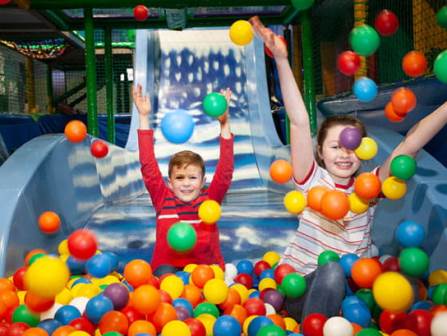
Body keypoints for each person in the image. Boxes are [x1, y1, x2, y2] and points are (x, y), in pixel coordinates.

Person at [250, 16, 447, 320]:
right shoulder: (310, 179)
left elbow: (409, 145)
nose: (345, 154)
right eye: (335, 146)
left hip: (353, 291)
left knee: (401, 283)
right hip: (302, 289)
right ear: (321, 152)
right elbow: (300, 122)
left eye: (352, 147)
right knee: (330, 272)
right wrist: (281, 60)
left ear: (363, 150)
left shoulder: (367, 188)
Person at [133, 84, 234, 273]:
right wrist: (144, 117)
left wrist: (224, 123)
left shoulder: (209, 200)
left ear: (202, 182)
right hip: (168, 271)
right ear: (170, 183)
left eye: (192, 177)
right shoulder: (163, 199)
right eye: (179, 177)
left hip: (206, 272)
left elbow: (225, 172)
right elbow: (148, 166)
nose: (186, 183)